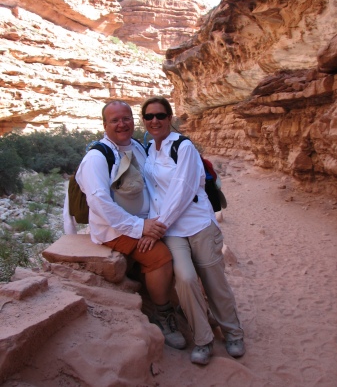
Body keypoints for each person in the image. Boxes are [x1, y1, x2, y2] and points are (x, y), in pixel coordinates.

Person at [63, 100, 186, 350]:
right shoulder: (97, 157)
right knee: (160, 257)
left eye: (126, 118)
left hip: (145, 220)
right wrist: (139, 228)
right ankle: (163, 314)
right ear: (105, 125)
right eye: (115, 120)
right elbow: (100, 203)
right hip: (113, 229)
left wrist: (155, 222)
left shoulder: (138, 148)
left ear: (133, 120)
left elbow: (151, 187)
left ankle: (180, 302)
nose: (122, 124)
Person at [141, 96, 245, 365]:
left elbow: (182, 189)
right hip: (172, 231)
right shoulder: (149, 148)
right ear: (144, 120)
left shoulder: (183, 146)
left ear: (170, 118)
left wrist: (157, 225)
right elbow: (153, 190)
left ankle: (233, 333)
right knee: (185, 279)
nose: (155, 121)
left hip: (197, 225)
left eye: (160, 116)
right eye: (149, 116)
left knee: (214, 282)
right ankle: (203, 339)